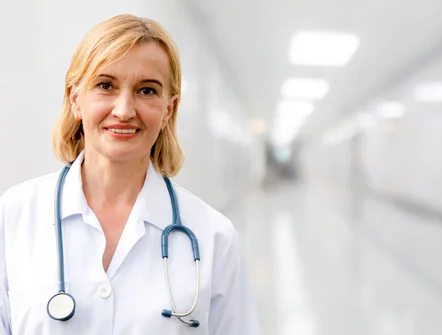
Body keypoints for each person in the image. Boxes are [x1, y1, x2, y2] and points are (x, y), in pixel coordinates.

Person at [0, 14, 260, 334]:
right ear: (75, 98)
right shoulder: (12, 217)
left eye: (147, 91)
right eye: (105, 85)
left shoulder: (214, 237)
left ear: (169, 109)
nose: (124, 110)